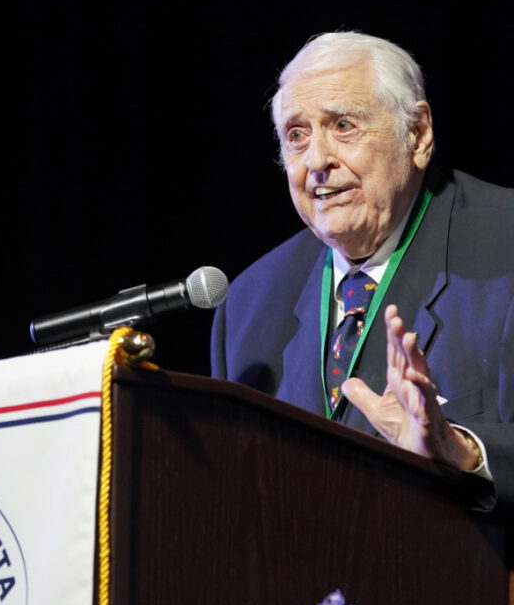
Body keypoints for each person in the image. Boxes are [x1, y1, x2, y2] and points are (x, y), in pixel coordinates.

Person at [211, 32, 514, 510]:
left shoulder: (506, 247)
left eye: (344, 125)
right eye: (296, 135)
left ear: (418, 134)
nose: (316, 162)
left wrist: (463, 451)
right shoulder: (248, 307)